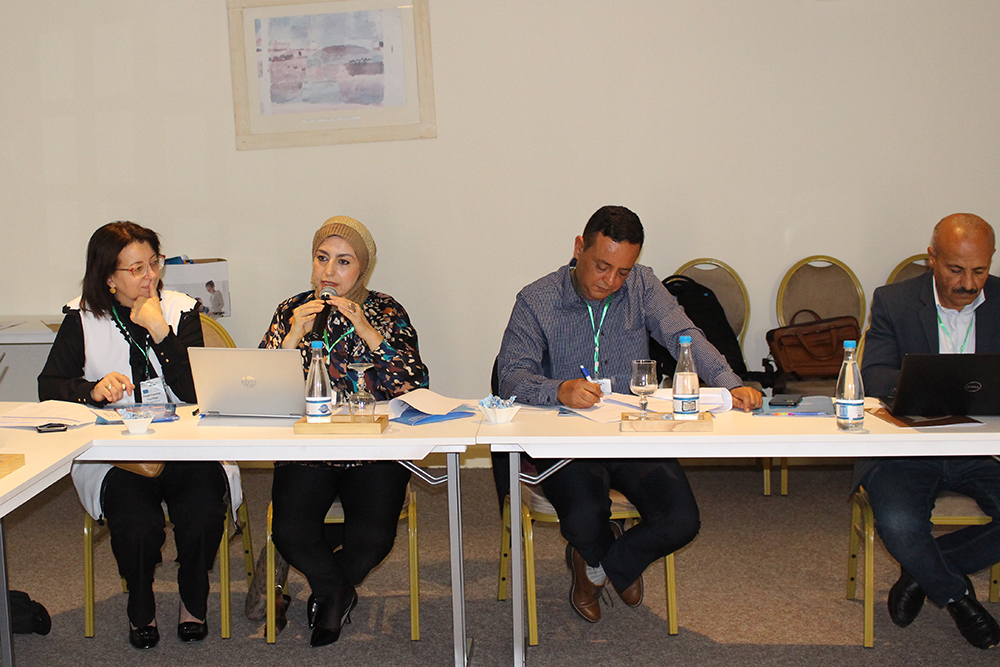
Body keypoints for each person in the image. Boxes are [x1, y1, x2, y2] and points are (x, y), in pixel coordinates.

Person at [497, 205, 762, 623]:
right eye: (602, 267)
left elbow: (684, 336)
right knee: (584, 518)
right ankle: (602, 550)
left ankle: (600, 565)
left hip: (632, 430)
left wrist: (730, 383)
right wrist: (559, 389)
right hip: (568, 438)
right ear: (579, 248)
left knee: (681, 520)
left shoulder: (643, 285)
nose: (611, 281)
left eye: (622, 271)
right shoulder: (536, 299)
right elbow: (510, 377)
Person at [37, 221, 240, 650]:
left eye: (154, 264)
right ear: (109, 278)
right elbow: (49, 387)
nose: (150, 276)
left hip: (186, 444)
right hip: (119, 452)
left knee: (203, 511)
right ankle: (140, 598)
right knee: (136, 522)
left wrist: (160, 331)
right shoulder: (82, 318)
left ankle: (193, 593)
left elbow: (196, 391)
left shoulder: (181, 310)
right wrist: (91, 390)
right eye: (136, 269)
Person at [260, 216, 429, 647]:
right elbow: (259, 389)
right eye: (322, 258)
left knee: (373, 539)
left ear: (362, 270)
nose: (329, 271)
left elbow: (414, 385)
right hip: (308, 445)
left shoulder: (386, 311)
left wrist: (367, 331)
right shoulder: (293, 309)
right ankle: (336, 594)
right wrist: (292, 336)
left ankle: (328, 592)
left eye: (343, 261)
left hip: (373, 445)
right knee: (290, 532)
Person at [856, 213, 1000, 649]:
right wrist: (933, 386)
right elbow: (874, 374)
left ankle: (921, 573)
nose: (969, 284)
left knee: (913, 543)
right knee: (900, 524)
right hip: (908, 445)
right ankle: (958, 597)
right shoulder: (894, 301)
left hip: (985, 447)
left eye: (980, 270)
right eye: (956, 269)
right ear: (931, 258)